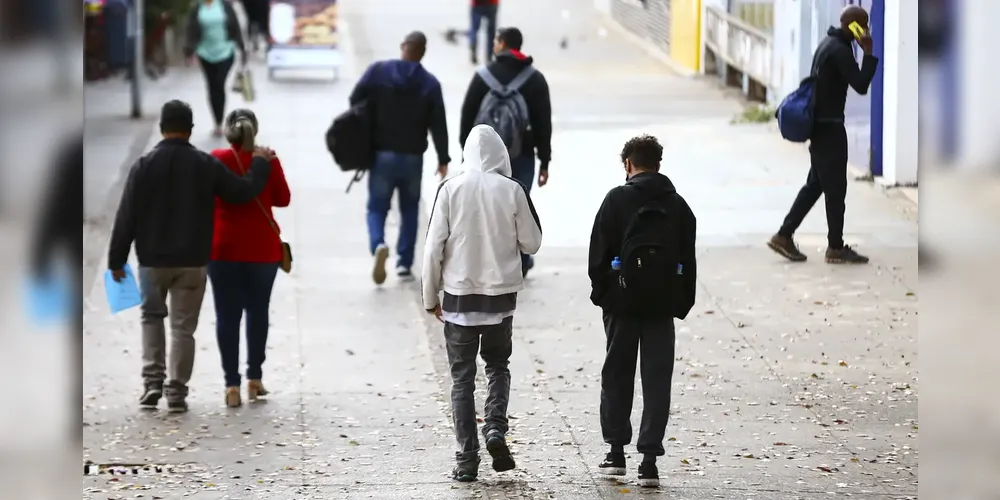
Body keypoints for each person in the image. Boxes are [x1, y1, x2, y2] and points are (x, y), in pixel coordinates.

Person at [107, 100, 274, 413]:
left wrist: (116, 260)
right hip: (193, 261)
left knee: (151, 318)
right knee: (183, 328)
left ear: (161, 128)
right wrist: (260, 164)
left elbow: (126, 215)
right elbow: (240, 192)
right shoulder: (204, 164)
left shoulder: (143, 165)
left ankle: (152, 383)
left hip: (152, 262)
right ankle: (177, 392)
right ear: (191, 129)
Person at [422, 125, 542, 483]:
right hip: (500, 301)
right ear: (501, 155)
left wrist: (430, 296)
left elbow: (432, 248)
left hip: (459, 299)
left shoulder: (450, 190)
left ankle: (466, 458)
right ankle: (495, 430)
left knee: (461, 380)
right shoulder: (513, 190)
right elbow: (532, 243)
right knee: (497, 366)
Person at [587, 135, 696, 488]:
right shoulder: (678, 205)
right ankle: (648, 460)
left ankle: (616, 452)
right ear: (658, 165)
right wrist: (679, 304)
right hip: (661, 306)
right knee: (657, 379)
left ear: (628, 166)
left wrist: (605, 296)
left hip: (622, 305)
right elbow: (688, 261)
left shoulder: (615, 200)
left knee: (617, 374)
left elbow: (597, 258)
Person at [768, 4, 878, 264]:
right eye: (863, 25)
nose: (866, 30)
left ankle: (784, 235)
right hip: (829, 129)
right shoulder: (840, 51)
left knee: (816, 185)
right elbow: (861, 84)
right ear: (853, 25)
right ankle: (835, 248)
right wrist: (869, 53)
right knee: (836, 189)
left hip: (821, 127)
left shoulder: (828, 43)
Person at [349, 31, 450, 285]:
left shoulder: (378, 72)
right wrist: (443, 157)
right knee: (409, 209)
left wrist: (367, 128)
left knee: (376, 206)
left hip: (381, 154)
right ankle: (404, 263)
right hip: (412, 157)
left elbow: (355, 100)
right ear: (422, 52)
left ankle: (379, 244)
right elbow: (438, 123)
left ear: (403, 46)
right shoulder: (429, 83)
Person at [209, 109, 290, 408]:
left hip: (223, 249)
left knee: (226, 317)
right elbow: (283, 198)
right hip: (262, 251)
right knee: (258, 311)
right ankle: (254, 379)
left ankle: (231, 386)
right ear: (254, 131)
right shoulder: (268, 159)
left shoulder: (217, 158)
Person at [459, 27, 551, 278]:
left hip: (484, 157)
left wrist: (464, 153)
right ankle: (520, 260)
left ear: (501, 44)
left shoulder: (482, 76)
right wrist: (545, 160)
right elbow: (544, 122)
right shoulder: (535, 79)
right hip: (521, 154)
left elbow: (467, 115)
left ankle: (489, 261)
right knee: (518, 206)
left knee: (486, 207)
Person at [184, 0, 247, 137]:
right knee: (212, 86)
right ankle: (217, 122)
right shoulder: (197, 8)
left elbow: (235, 27)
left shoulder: (225, 5)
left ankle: (220, 119)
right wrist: (189, 52)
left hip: (226, 50)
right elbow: (191, 29)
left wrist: (242, 49)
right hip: (205, 52)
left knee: (219, 83)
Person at [468, 0, 498, 64]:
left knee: (474, 29)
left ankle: (473, 49)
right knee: (491, 31)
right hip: (492, 3)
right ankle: (489, 56)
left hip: (477, 4)